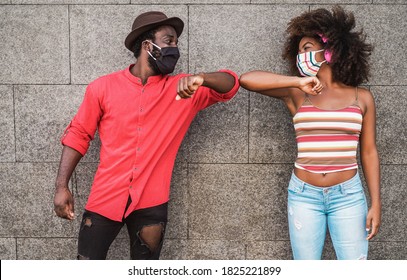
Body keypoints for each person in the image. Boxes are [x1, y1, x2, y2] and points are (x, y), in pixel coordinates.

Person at [53, 11, 239, 260]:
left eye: (176, 43)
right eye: (169, 41)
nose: (175, 48)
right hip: (104, 198)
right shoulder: (102, 87)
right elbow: (78, 134)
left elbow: (232, 84)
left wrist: (203, 79)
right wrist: (61, 186)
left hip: (152, 204)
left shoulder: (183, 88)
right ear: (147, 45)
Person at [239, 6, 380, 260]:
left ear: (329, 50)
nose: (300, 56)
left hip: (348, 196)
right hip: (304, 195)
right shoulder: (297, 93)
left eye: (306, 48)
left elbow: (369, 152)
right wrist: (296, 81)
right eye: (299, 50)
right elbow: (247, 79)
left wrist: (376, 204)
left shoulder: (362, 97)